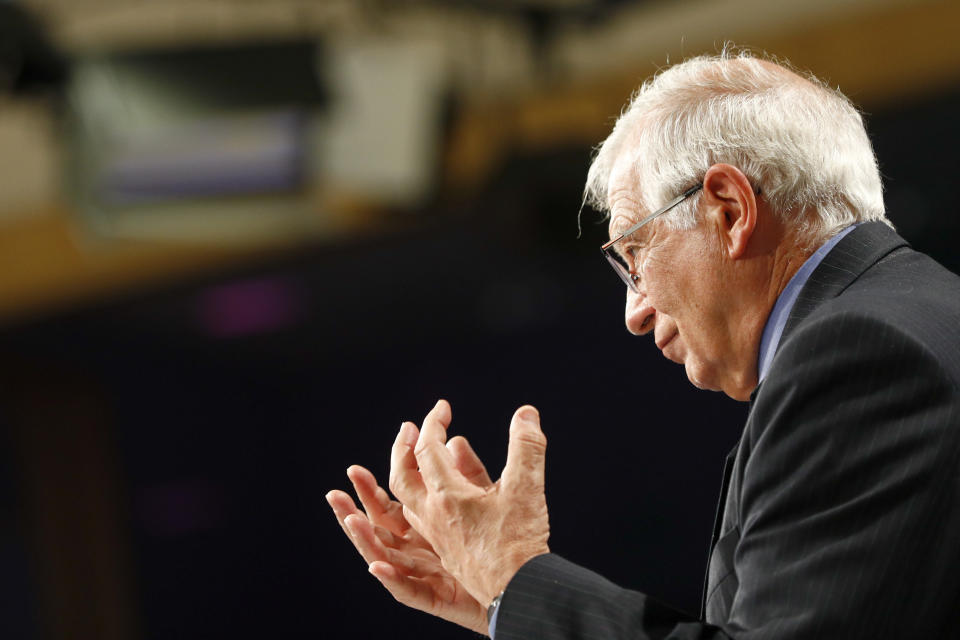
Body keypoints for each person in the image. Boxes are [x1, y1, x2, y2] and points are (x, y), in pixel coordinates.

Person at [326, 49, 960, 638]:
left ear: (730, 210)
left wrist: (513, 576)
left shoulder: (859, 356)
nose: (633, 311)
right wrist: (503, 602)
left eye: (635, 253)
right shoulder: (910, 319)